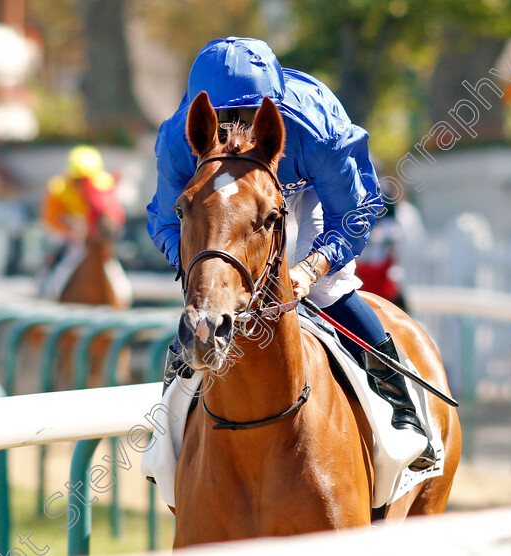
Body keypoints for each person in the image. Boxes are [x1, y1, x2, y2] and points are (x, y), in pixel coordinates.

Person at [147, 37, 434, 470]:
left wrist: (311, 268)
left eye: (247, 117)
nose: (235, 131)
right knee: (207, 300)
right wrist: (205, 270)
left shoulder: (317, 129)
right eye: (222, 121)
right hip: (226, 208)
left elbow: (355, 212)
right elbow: (166, 222)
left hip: (309, 194)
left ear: (270, 111)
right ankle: (163, 439)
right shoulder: (179, 138)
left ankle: (404, 411)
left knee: (330, 291)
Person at [39, 145, 126, 297]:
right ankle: (46, 291)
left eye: (87, 180)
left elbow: (115, 215)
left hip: (95, 239)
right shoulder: (58, 188)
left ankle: (123, 296)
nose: (83, 185)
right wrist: (72, 228)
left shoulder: (104, 186)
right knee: (56, 261)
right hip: (69, 238)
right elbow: (50, 219)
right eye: (78, 180)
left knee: (113, 268)